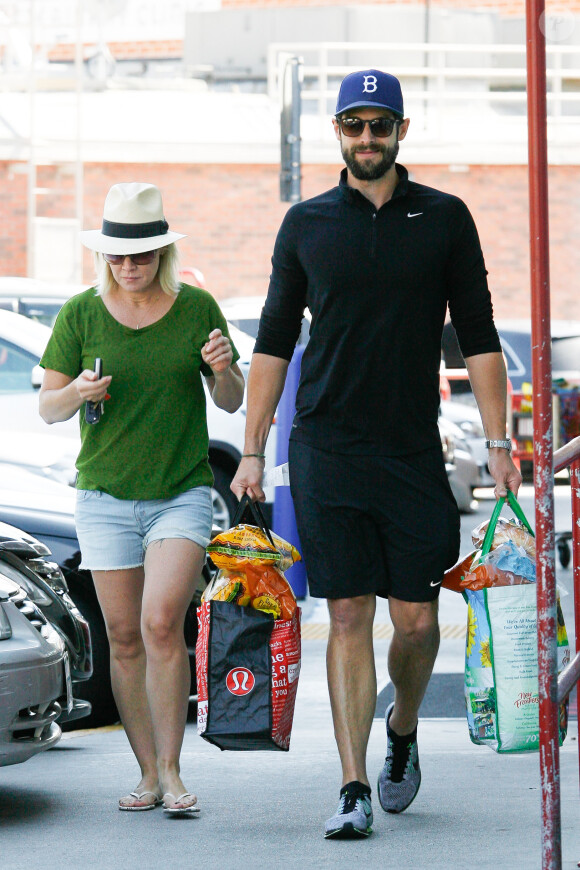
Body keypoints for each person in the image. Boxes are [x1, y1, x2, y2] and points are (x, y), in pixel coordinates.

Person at [231, 69, 521, 838]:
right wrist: (253, 448)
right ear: (337, 132)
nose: (368, 138)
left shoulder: (445, 219)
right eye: (354, 125)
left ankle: (402, 730)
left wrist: (499, 442)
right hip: (326, 444)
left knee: (419, 624)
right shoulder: (306, 224)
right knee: (350, 611)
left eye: (379, 125)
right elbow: (272, 340)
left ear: (401, 130)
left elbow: (482, 334)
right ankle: (354, 784)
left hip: (410, 450)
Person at [39, 182, 244, 815]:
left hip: (179, 494)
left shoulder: (196, 308)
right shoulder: (79, 313)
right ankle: (147, 773)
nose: (130, 267)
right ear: (104, 258)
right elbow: (49, 407)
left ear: (162, 252)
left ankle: (176, 772)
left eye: (142, 254)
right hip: (102, 496)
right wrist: (80, 391)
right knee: (124, 636)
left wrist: (222, 368)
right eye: (118, 257)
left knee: (160, 623)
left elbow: (232, 400)